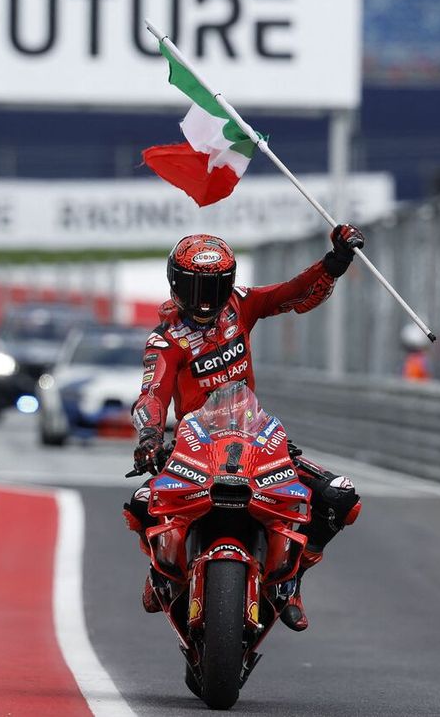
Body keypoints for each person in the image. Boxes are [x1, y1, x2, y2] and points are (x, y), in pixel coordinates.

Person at [124, 226, 365, 632]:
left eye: (214, 287)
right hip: (193, 446)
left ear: (229, 284)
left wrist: (334, 263)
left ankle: (291, 581)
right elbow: (151, 394)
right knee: (143, 502)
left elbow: (292, 293)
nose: (205, 300)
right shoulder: (165, 341)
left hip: (254, 436)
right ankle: (161, 575)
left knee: (340, 497)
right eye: (195, 286)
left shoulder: (241, 305)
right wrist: (150, 437)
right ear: (175, 284)